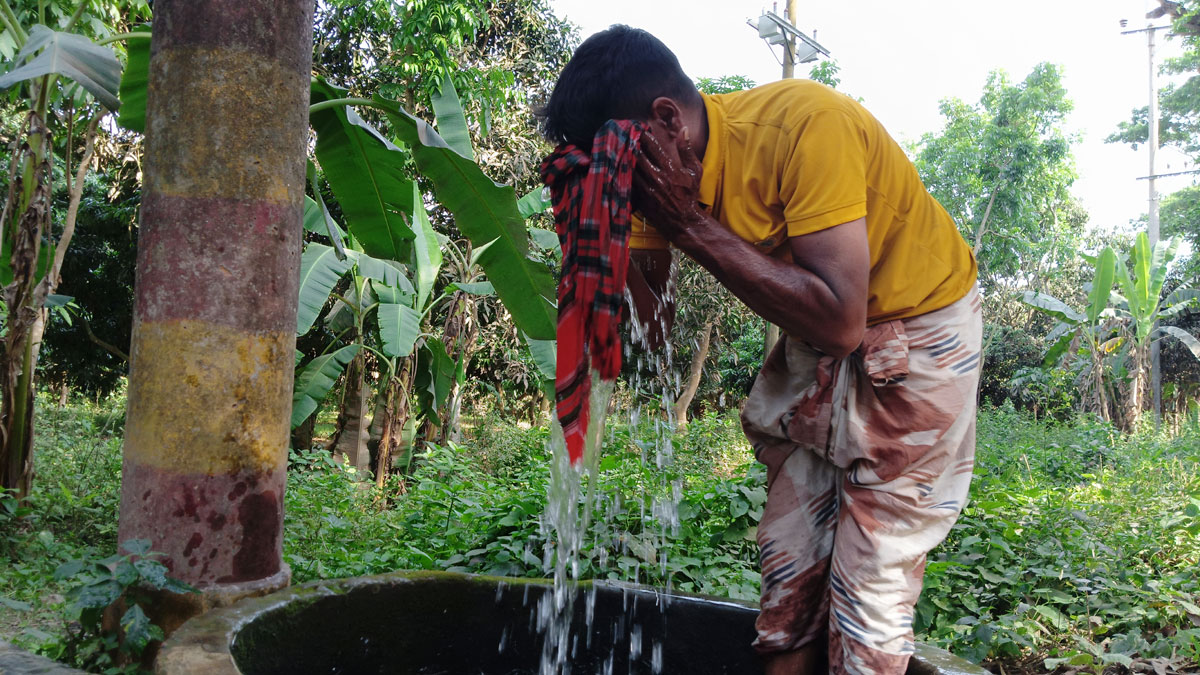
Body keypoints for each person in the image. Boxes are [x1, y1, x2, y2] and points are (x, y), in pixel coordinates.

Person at [539, 24, 982, 675]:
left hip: (919, 324)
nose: (616, 184)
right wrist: (593, 236)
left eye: (610, 165)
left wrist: (690, 225)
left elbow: (839, 322)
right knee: (790, 562)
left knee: (870, 586)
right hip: (819, 322)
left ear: (667, 119)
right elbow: (651, 331)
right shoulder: (640, 168)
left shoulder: (806, 126)